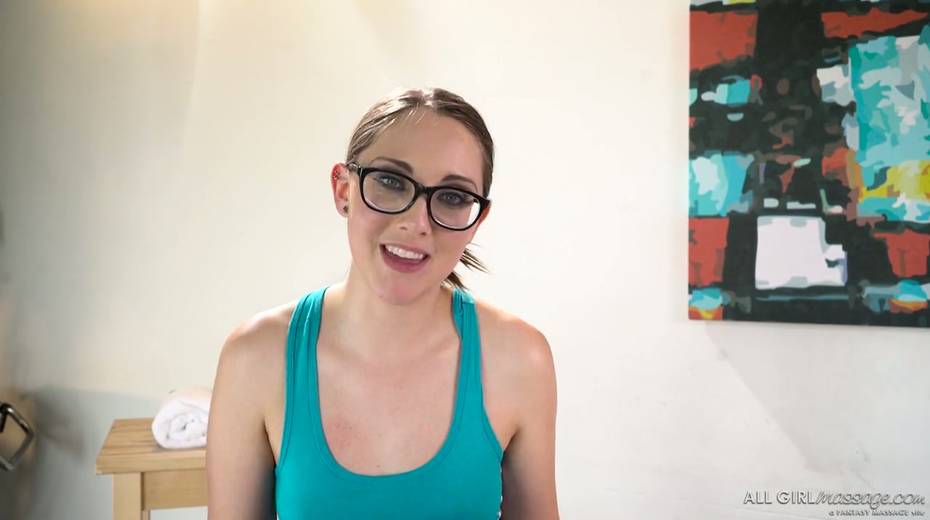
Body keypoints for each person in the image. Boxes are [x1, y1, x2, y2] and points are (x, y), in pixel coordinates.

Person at [206, 87, 559, 519]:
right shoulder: (256, 358)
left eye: (452, 196)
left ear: (476, 220)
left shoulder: (520, 359)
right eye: (391, 182)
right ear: (343, 189)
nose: (417, 222)